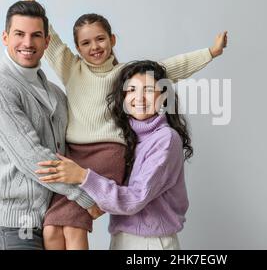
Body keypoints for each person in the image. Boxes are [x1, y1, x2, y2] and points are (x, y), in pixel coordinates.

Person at [16, 0, 227, 250]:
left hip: (108, 152)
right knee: (52, 227)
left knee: (74, 226)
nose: (94, 47)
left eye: (100, 39)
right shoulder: (71, 68)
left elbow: (169, 69)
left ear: (113, 40)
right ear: (77, 48)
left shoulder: (127, 75)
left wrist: (210, 53)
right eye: (85, 42)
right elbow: (48, 34)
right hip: (74, 153)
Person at [0, 0, 101, 250]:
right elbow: (31, 157)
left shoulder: (56, 93)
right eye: (19, 34)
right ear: (5, 37)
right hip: (18, 229)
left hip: (55, 222)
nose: (28, 43)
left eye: (36, 35)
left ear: (46, 42)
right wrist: (85, 195)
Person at [36, 60, 193, 250]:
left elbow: (134, 199)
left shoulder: (165, 139)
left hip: (151, 243)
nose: (140, 97)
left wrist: (81, 175)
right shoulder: (129, 138)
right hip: (122, 239)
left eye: (149, 90)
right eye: (132, 90)